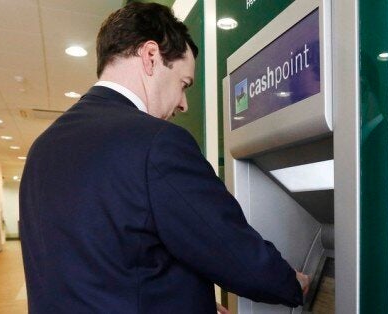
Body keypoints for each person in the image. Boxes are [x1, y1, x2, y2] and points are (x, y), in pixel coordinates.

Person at [19, 2, 310, 313]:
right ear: (150, 56)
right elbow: (229, 248)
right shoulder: (156, 142)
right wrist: (294, 283)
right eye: (183, 84)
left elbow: (98, 267)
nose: (184, 103)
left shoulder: (44, 147)